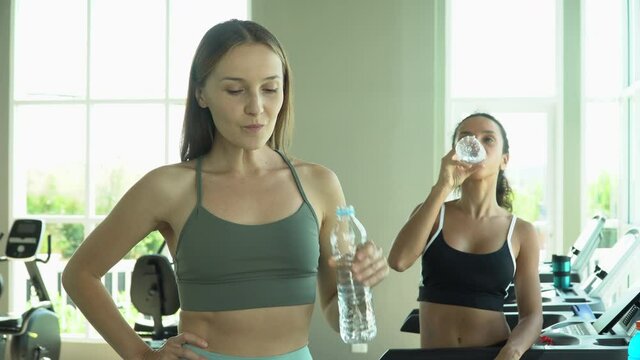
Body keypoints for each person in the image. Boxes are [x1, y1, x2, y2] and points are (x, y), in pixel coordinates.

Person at [62, 19, 389, 360]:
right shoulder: (169, 187)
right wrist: (143, 354)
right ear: (202, 93)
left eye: (270, 88)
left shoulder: (319, 184)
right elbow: (80, 274)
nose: (256, 107)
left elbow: (341, 317)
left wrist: (361, 286)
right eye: (235, 90)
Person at [388, 113, 542, 360]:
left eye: (488, 139)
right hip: (434, 356)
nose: (477, 144)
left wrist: (513, 350)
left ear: (505, 160)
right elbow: (398, 261)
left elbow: (532, 316)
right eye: (467, 138)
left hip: (493, 355)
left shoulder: (522, 232)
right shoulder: (433, 214)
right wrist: (442, 186)